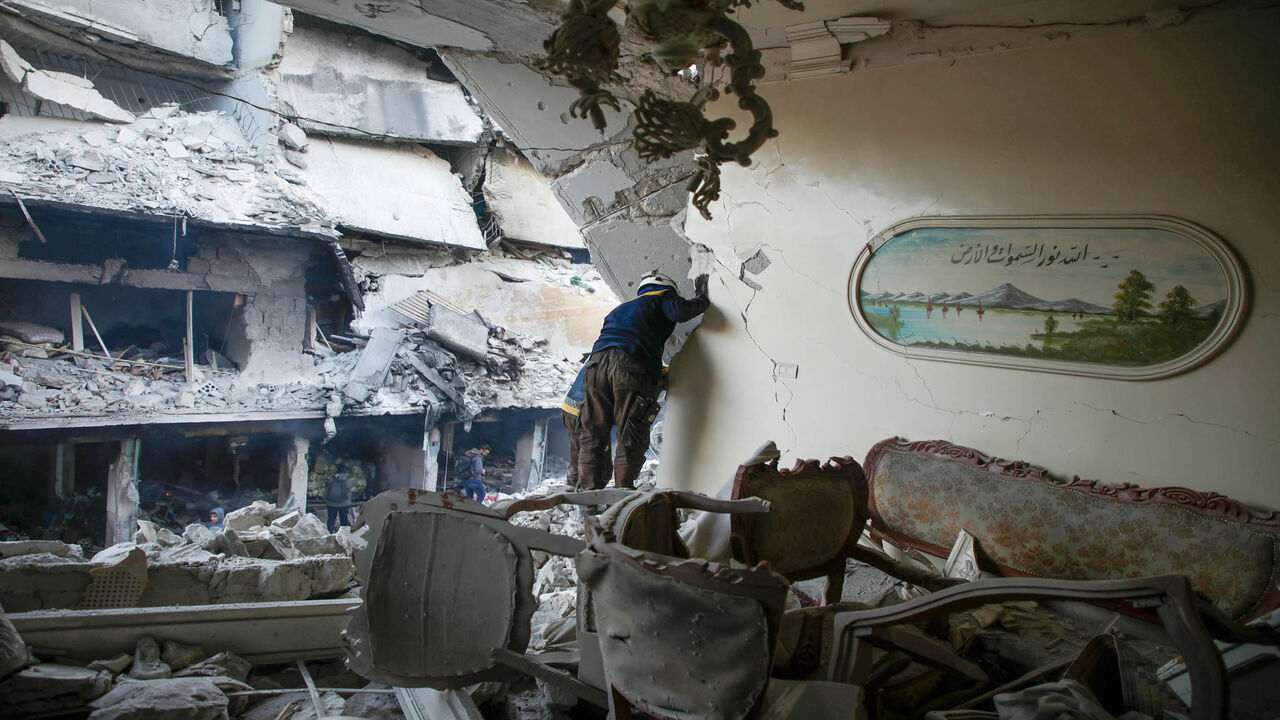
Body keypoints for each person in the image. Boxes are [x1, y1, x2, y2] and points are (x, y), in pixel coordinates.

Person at [575, 271, 709, 490]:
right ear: (667, 287)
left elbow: (616, 344)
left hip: (595, 367)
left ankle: (589, 495)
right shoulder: (662, 295)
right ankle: (623, 492)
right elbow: (680, 311)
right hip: (629, 365)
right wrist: (702, 297)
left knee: (593, 431)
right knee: (631, 429)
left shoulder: (620, 309)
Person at [560, 364, 587, 489]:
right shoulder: (610, 359)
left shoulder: (591, 359)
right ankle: (585, 494)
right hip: (583, 411)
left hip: (568, 408)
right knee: (589, 453)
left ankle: (571, 486)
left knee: (575, 452)